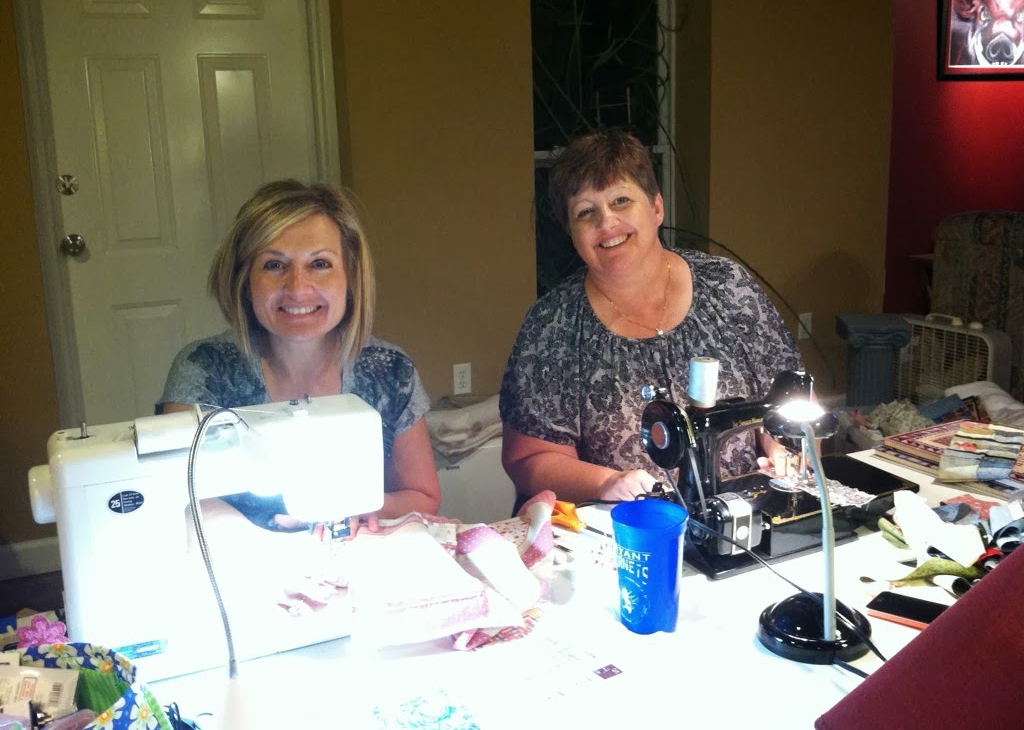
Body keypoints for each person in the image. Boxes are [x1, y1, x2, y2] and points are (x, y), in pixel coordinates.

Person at [500, 129, 803, 508]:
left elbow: (789, 400)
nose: (607, 222)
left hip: (742, 515)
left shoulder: (729, 287)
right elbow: (529, 459)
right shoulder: (552, 326)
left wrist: (783, 450)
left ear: (657, 208)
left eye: (621, 200)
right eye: (585, 212)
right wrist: (607, 482)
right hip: (626, 526)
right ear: (572, 233)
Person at [160, 179, 440, 530]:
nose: (297, 288)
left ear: (350, 278)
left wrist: (355, 510)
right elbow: (181, 498)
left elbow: (422, 495)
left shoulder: (390, 371)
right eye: (274, 265)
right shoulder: (203, 371)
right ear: (244, 281)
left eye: (320, 263)